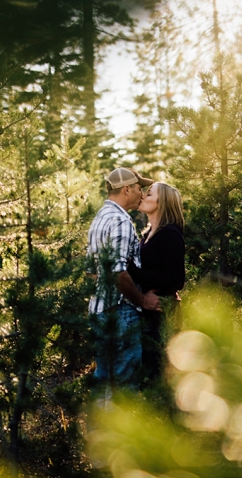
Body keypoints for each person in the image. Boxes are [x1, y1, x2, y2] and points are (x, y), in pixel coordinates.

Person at [87, 167, 160, 390]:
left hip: (100, 309)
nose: (142, 194)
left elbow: (93, 270)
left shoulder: (100, 218)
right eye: (139, 189)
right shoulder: (121, 221)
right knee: (125, 384)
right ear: (126, 189)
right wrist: (142, 300)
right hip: (120, 313)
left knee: (105, 380)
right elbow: (117, 273)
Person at [128, 181, 185, 385]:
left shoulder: (169, 233)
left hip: (163, 312)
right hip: (151, 311)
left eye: (149, 194)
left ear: (163, 203)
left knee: (161, 374)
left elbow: (177, 278)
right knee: (150, 370)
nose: (143, 196)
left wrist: (134, 273)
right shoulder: (149, 234)